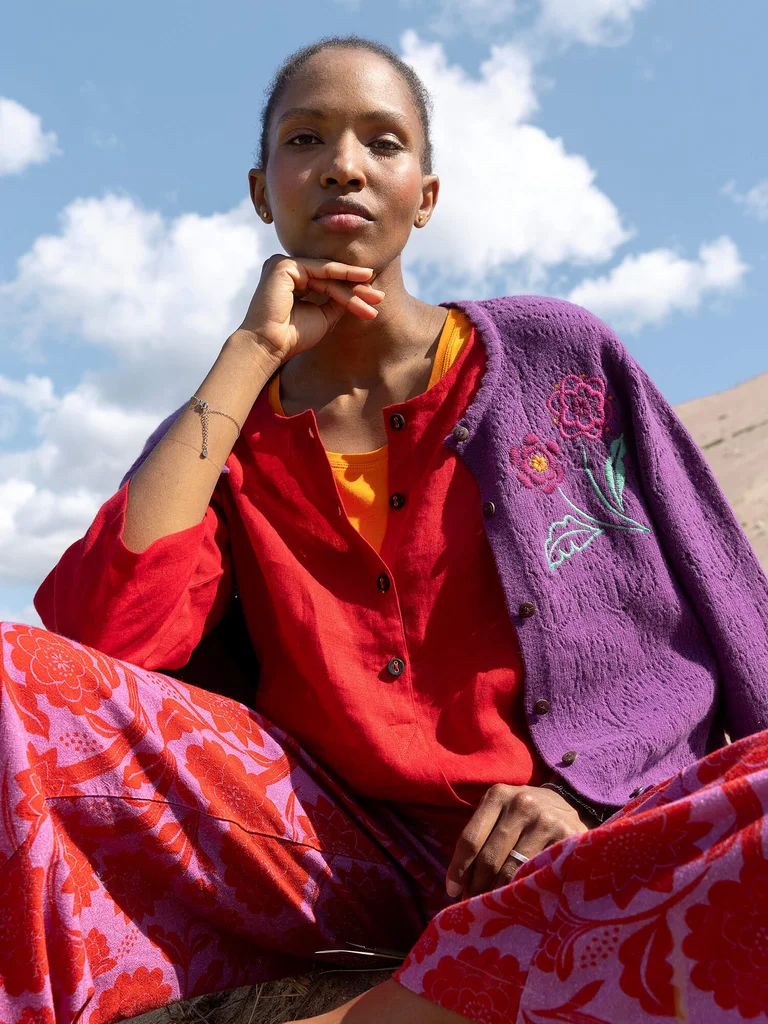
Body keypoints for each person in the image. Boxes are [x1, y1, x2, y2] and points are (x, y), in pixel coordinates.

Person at [2, 33, 767, 1024]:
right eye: (307, 137)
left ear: (427, 192)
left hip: (594, 829)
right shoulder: (227, 430)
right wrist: (249, 353)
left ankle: (409, 1003)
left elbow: (721, 592)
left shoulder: (558, 358)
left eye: (383, 140)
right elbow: (100, 644)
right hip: (336, 847)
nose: (345, 164)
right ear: (260, 186)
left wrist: (596, 800)